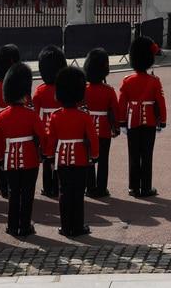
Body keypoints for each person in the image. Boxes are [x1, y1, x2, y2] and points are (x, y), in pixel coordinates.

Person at [0, 63, 45, 238]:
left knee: (13, 193)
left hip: (9, 158)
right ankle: (24, 226)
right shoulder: (31, 114)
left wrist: (0, 158)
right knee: (27, 194)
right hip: (29, 158)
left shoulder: (2, 115)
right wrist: (43, 153)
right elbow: (43, 135)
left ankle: (12, 226)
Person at [49, 64, 98, 237]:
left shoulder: (55, 115)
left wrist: (48, 155)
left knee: (64, 192)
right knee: (77, 194)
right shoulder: (84, 116)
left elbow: (51, 139)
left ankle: (65, 226)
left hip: (61, 158)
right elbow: (93, 138)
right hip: (80, 158)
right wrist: (94, 155)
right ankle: (77, 227)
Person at [118, 36, 166, 198]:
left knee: (133, 154)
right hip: (150, 121)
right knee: (147, 155)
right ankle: (146, 187)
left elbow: (122, 103)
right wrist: (163, 121)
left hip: (132, 121)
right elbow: (160, 102)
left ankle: (133, 187)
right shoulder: (154, 81)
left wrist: (122, 121)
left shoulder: (127, 81)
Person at [0, 43, 21, 200]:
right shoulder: (18, 84)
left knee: (2, 155)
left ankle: (3, 186)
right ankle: (15, 185)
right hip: (16, 123)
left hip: (0, 123)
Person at [83, 48, 118, 199]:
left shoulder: (83, 90)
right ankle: (102, 188)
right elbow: (115, 111)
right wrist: (115, 127)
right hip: (104, 129)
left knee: (89, 159)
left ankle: (90, 187)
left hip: (86, 128)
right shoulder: (109, 91)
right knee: (103, 160)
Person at [34, 46, 65, 198]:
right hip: (62, 126)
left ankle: (47, 187)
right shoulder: (63, 88)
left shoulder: (40, 91)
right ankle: (58, 185)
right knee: (60, 156)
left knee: (47, 157)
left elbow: (35, 113)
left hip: (45, 127)